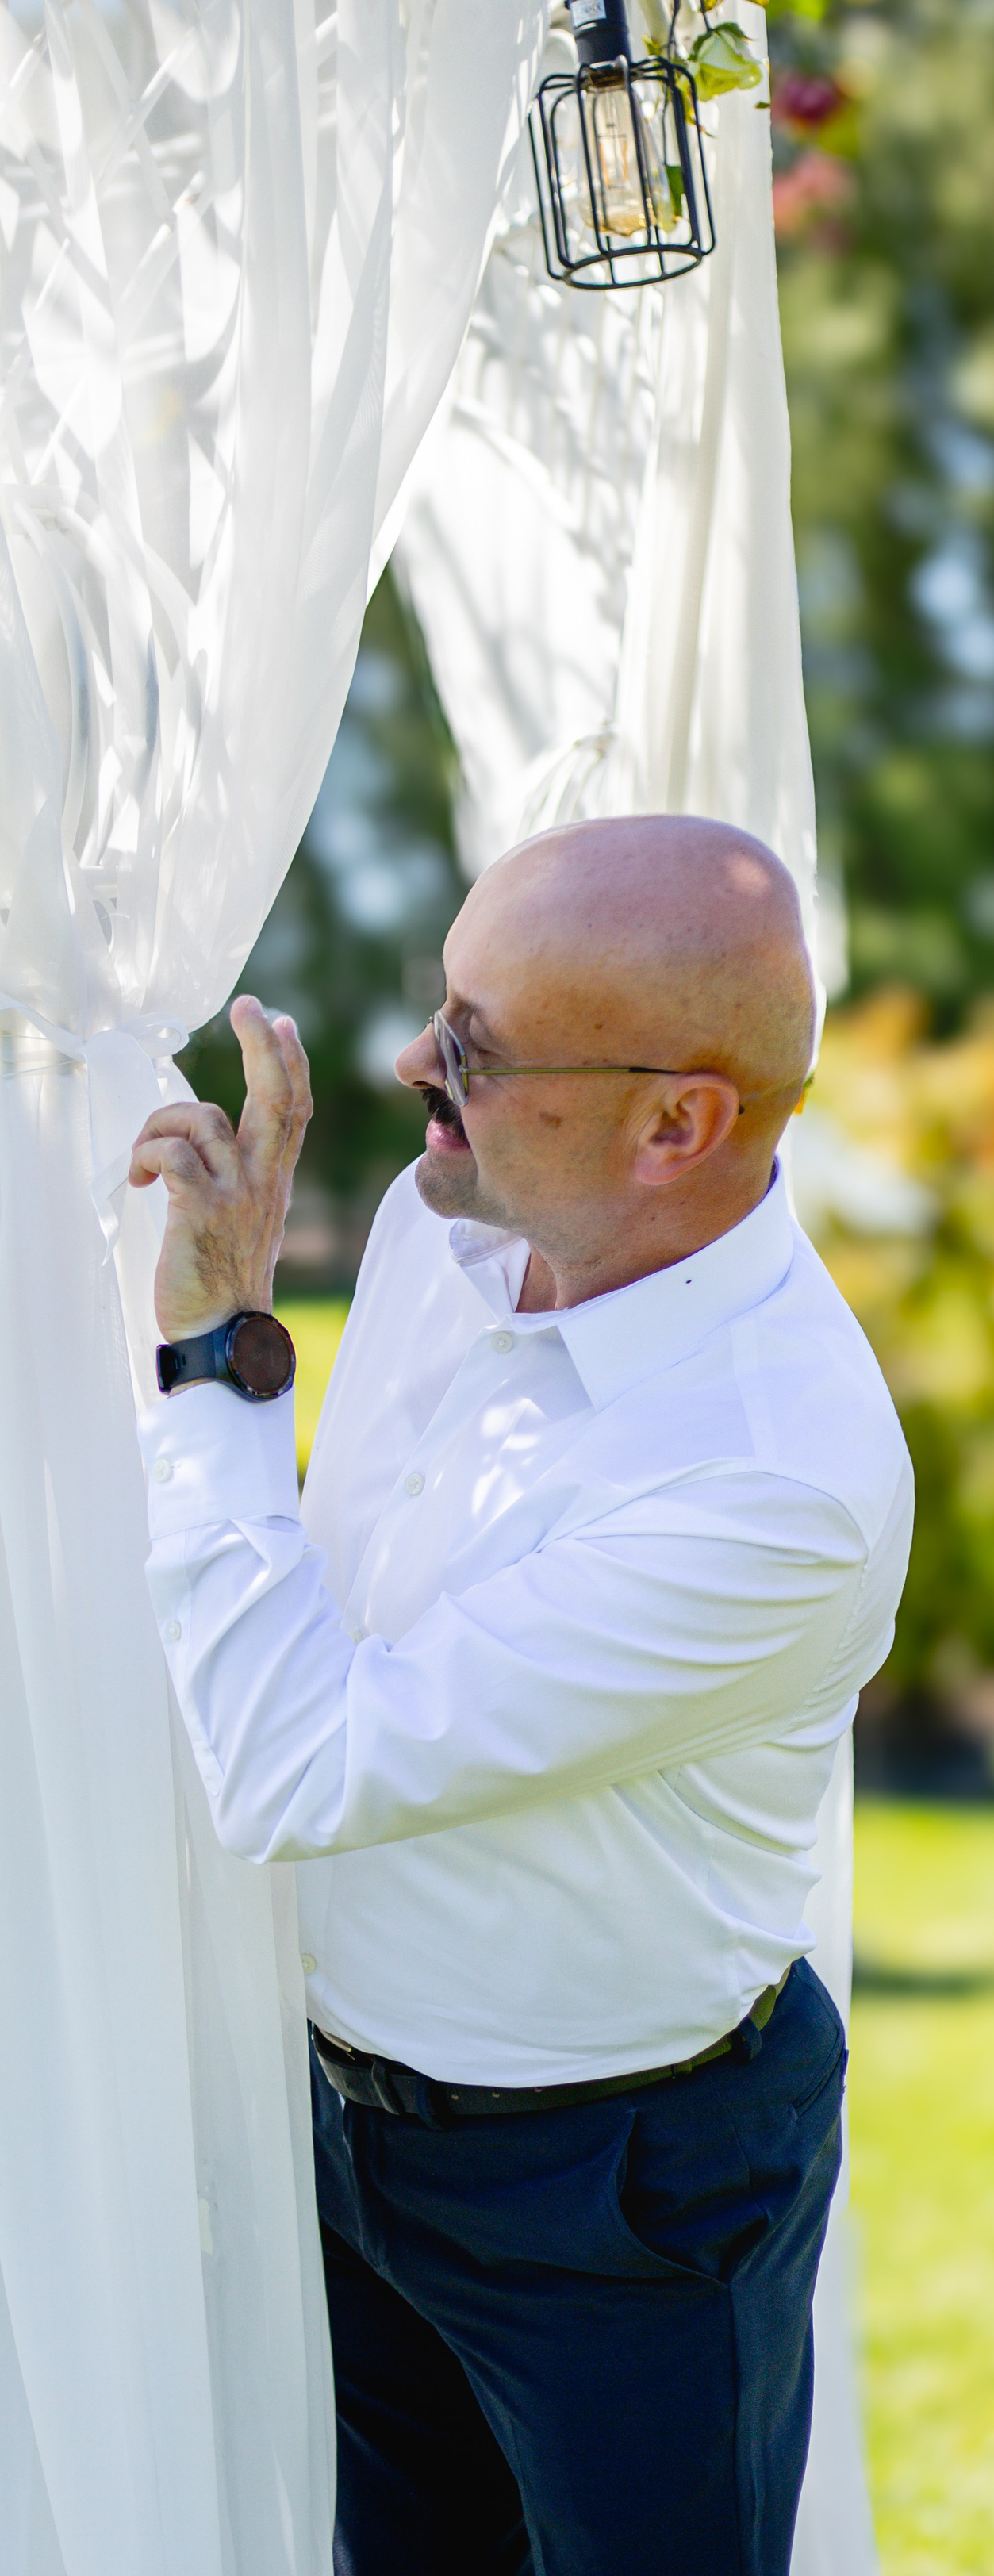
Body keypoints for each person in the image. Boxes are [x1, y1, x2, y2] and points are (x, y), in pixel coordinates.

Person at [127, 816, 912, 2576]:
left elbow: (295, 1761)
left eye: (471, 1047)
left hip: (624, 2197)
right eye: (439, 1008)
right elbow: (321, 1598)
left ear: (673, 1125)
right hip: (348, 2132)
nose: (412, 1065)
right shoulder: (441, 1218)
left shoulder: (768, 1478)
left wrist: (208, 1361)